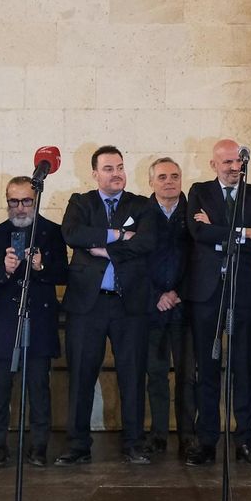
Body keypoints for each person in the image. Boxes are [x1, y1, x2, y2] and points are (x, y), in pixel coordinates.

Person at [57, 145, 158, 466]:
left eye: (120, 167)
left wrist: (105, 249)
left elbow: (147, 241)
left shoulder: (142, 205)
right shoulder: (80, 202)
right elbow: (73, 233)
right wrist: (118, 235)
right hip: (88, 305)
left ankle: (134, 442)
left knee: (132, 374)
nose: (117, 173)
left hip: (129, 305)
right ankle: (77, 444)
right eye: (109, 168)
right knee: (82, 375)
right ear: (95, 173)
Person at [183, 139, 251, 467]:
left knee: (243, 367)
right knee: (206, 368)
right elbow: (197, 232)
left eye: (238, 162)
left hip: (244, 291)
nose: (234, 168)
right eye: (227, 163)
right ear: (214, 164)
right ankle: (206, 440)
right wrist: (245, 233)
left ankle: (245, 441)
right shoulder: (199, 191)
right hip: (207, 293)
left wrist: (223, 234)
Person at [0, 176, 66, 468]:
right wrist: (3, 269)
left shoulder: (52, 232)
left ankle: (39, 446)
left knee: (39, 388)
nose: (20, 208)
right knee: (0, 387)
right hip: (4, 322)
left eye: (26, 201)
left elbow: (64, 274)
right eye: (13, 202)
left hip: (38, 320)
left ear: (36, 201)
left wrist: (40, 266)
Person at [142, 157, 192, 457]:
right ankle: (158, 433)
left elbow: (200, 259)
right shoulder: (141, 214)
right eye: (162, 177)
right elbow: (135, 260)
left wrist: (178, 292)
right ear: (151, 182)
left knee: (188, 376)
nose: (169, 181)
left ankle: (188, 435)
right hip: (153, 308)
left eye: (174, 175)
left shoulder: (195, 213)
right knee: (156, 374)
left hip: (185, 308)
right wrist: (156, 295)